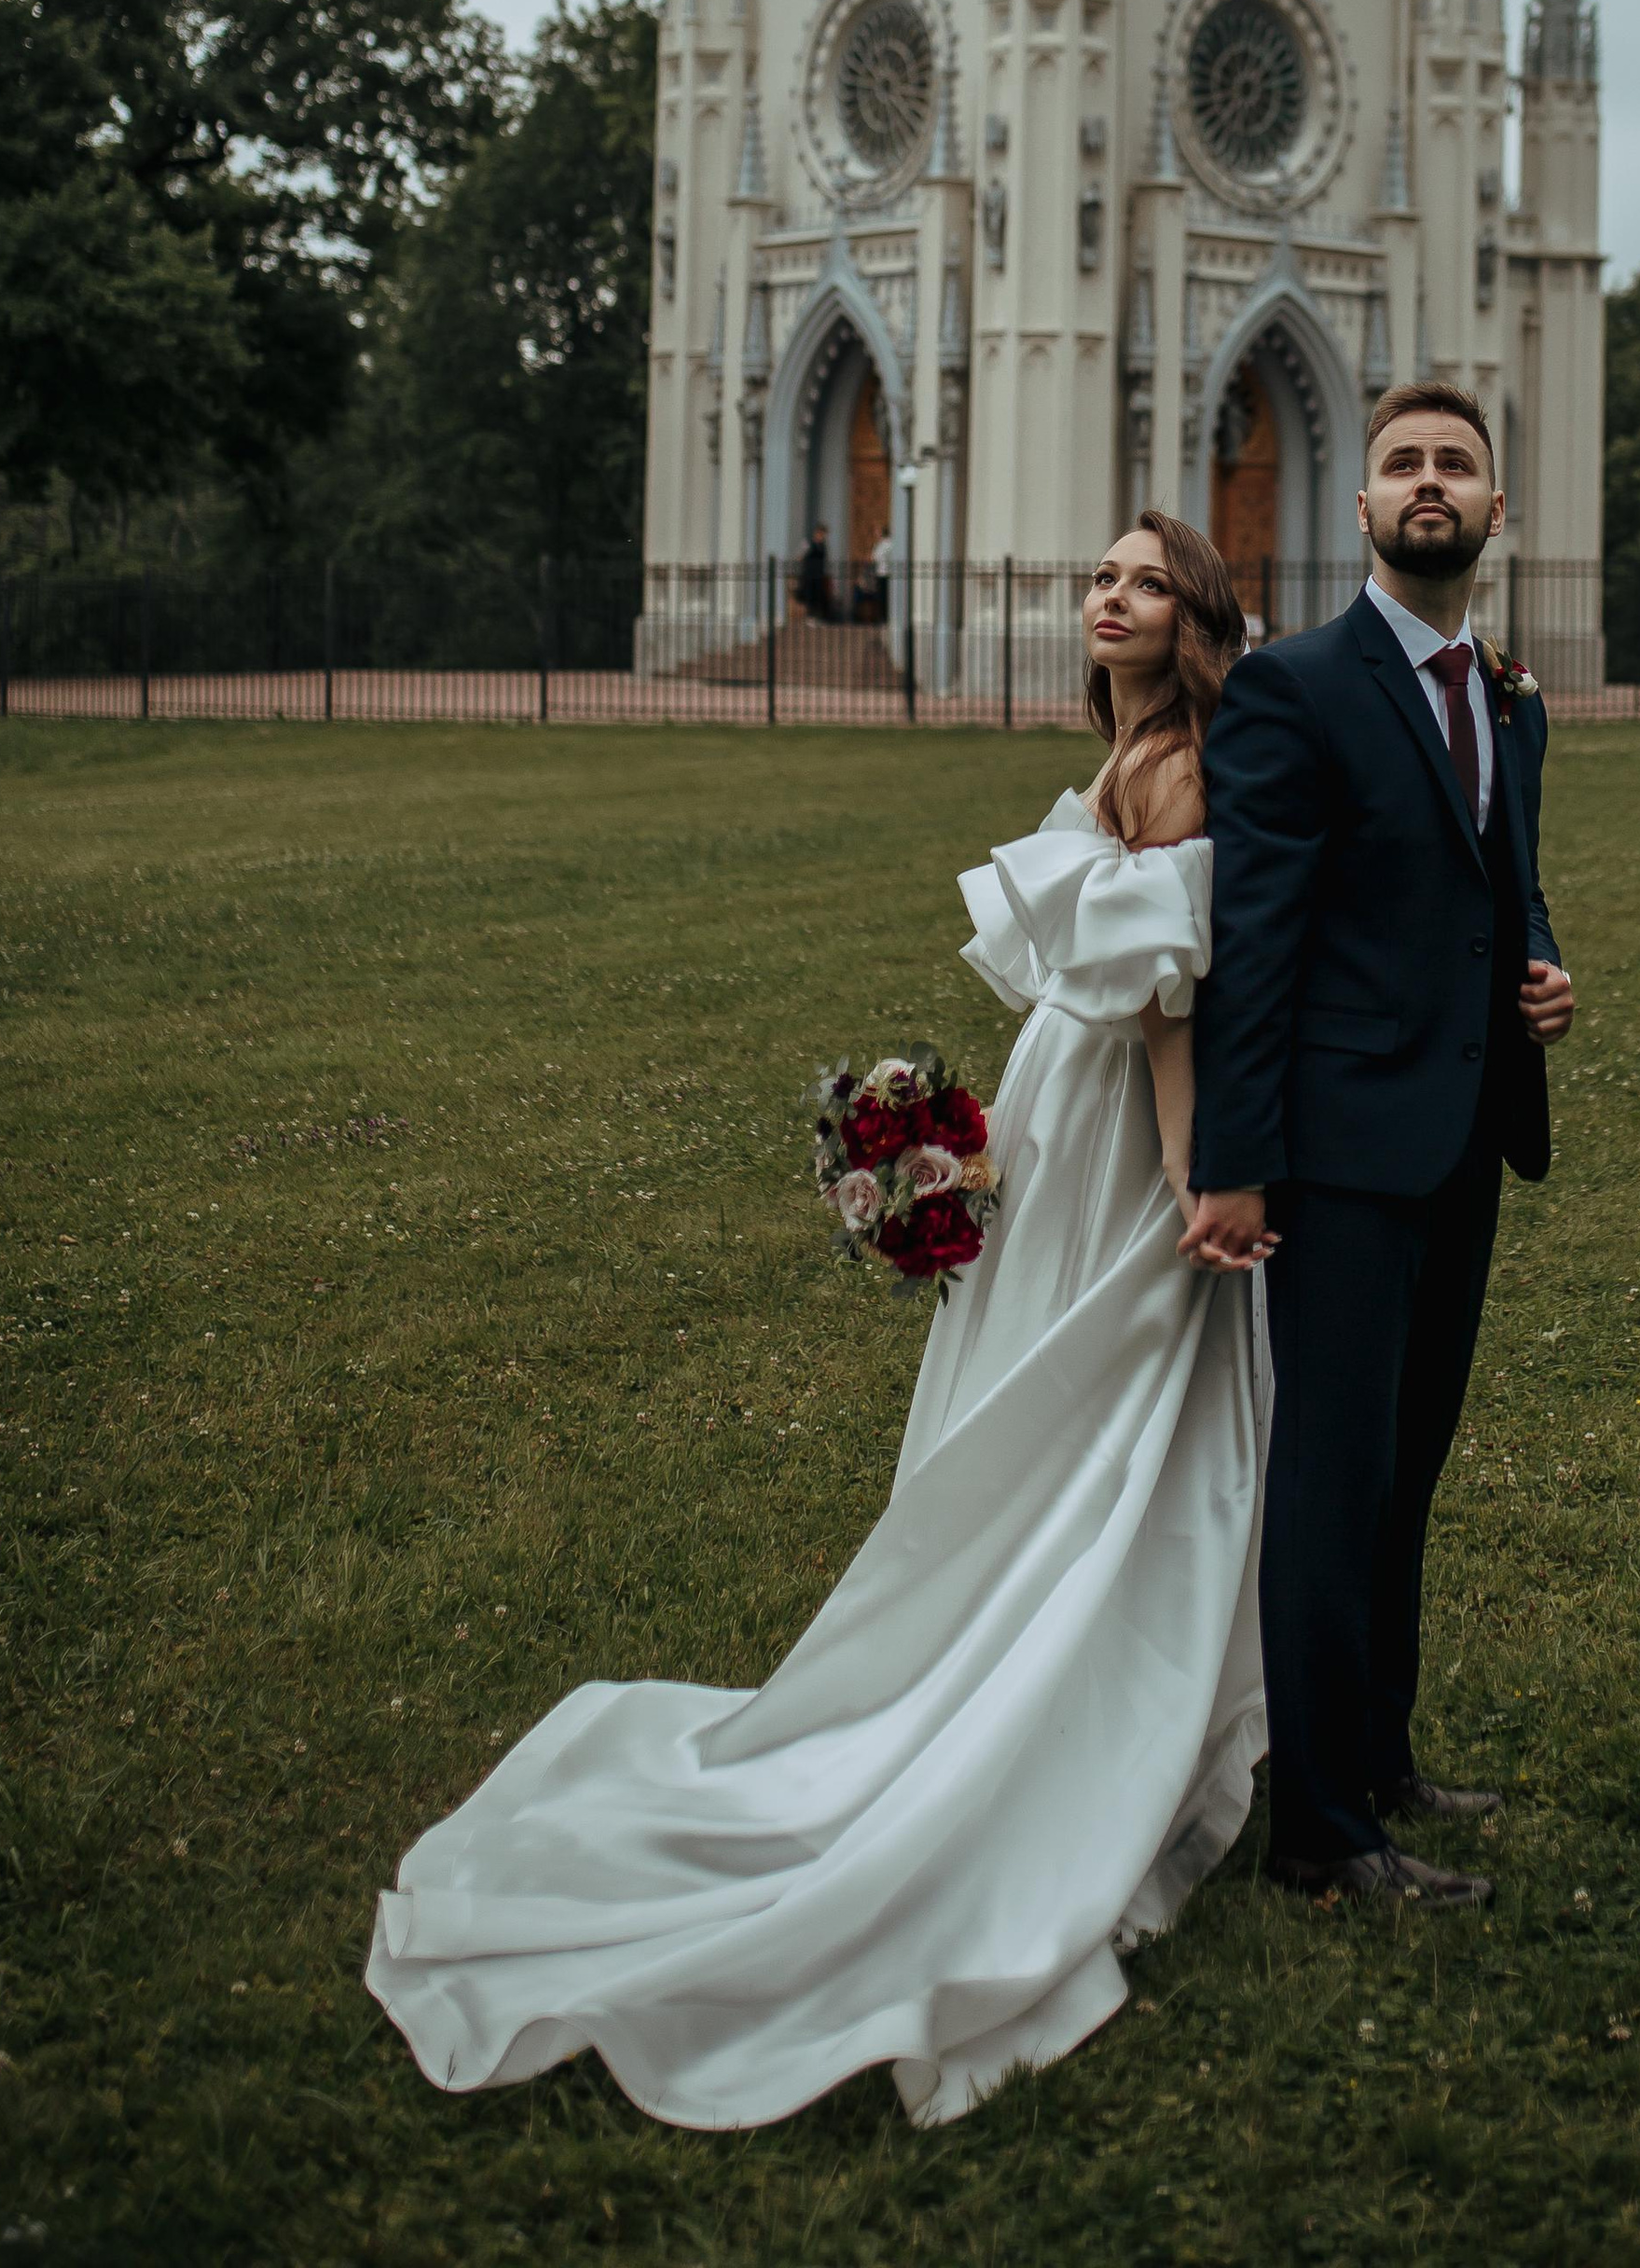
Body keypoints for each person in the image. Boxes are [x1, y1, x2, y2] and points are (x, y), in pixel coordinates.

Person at [365, 513, 1259, 2130]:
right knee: (1052, 1401)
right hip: (1070, 1109)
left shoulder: (1179, 767)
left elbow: (1169, 1004)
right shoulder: (1133, 758)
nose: (1105, 597)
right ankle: (1026, 1651)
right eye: (1102, 576)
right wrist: (961, 1141)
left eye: (1141, 582)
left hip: (1130, 1133)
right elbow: (1104, 991)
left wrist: (1198, 1180)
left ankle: (1059, 1671)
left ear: (1190, 620)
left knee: (1095, 1399)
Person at [1186, 381, 1575, 1904]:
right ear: (1360, 511)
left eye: (1456, 467)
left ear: (1495, 514)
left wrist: (1540, 966)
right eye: (1402, 465)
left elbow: (1504, 883)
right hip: (1340, 1156)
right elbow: (1257, 947)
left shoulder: (1509, 696)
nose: (1430, 485)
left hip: (1465, 1137)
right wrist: (1234, 1163)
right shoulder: (1297, 688)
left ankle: (1382, 1753)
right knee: (1334, 1479)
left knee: (1410, 1468)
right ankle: (1321, 1834)